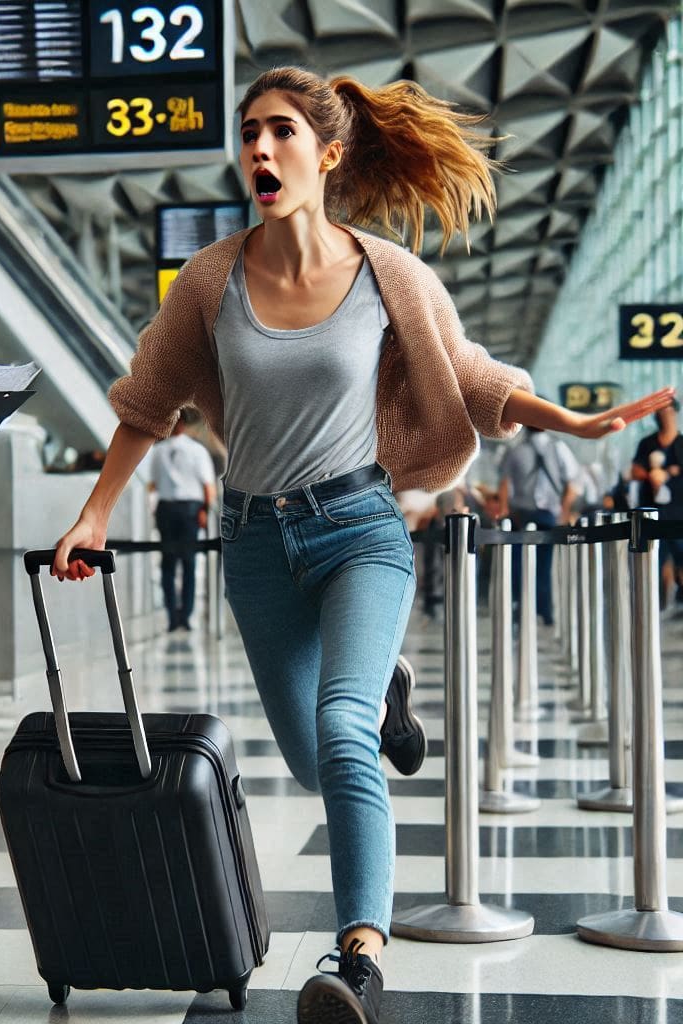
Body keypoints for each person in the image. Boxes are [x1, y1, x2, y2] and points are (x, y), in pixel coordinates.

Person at [49, 67, 673, 1024]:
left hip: (360, 528)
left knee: (342, 736)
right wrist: (96, 512)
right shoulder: (211, 281)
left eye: (282, 132)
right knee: (309, 756)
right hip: (253, 540)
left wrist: (572, 424)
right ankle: (385, 691)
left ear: (327, 153)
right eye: (249, 132)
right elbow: (148, 400)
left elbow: (470, 376)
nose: (260, 149)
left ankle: (360, 957)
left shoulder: (388, 274)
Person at [498, 423, 580, 626]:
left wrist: (504, 509)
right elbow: (572, 483)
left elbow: (504, 483)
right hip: (535, 514)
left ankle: (530, 606)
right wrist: (564, 510)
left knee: (527, 564)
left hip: (532, 514)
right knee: (535, 564)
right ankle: (535, 608)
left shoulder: (519, 448)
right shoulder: (553, 447)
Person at [148, 409, 217, 631]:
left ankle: (172, 617)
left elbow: (153, 485)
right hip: (189, 510)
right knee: (188, 563)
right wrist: (205, 510)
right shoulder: (197, 450)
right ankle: (185, 616)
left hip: (166, 509)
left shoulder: (158, 451)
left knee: (168, 564)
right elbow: (208, 487)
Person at [631, 398, 683, 607]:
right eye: (661, 413)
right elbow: (635, 471)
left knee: (681, 555)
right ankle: (656, 601)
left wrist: (672, 472)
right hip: (653, 513)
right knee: (655, 558)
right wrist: (651, 475)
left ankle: (679, 599)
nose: (665, 417)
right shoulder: (647, 443)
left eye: (669, 412)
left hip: (679, 511)